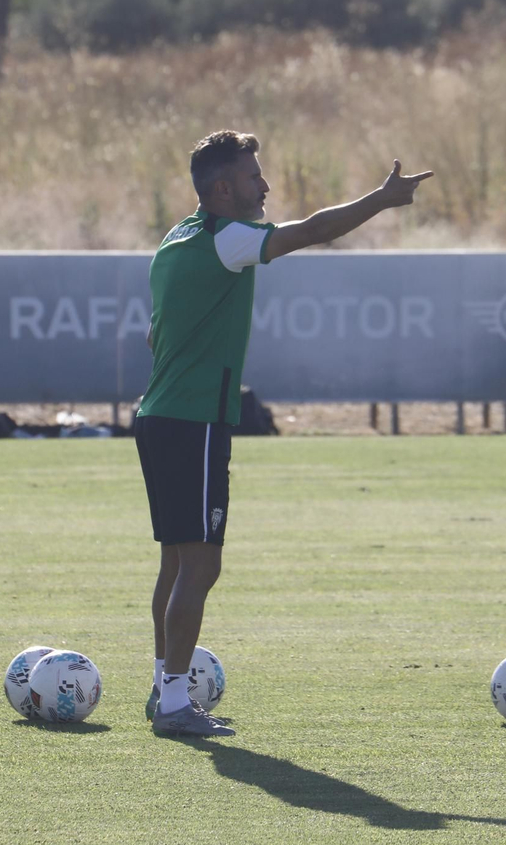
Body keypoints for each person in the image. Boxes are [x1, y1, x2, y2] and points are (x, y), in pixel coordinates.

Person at [136, 130, 431, 735]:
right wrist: (381, 199)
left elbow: (153, 334)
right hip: (194, 421)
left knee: (177, 561)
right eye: (253, 177)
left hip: (161, 417)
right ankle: (173, 704)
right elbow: (311, 231)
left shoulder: (177, 237)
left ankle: (165, 688)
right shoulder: (226, 239)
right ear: (223, 189)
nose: (265, 185)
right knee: (201, 566)